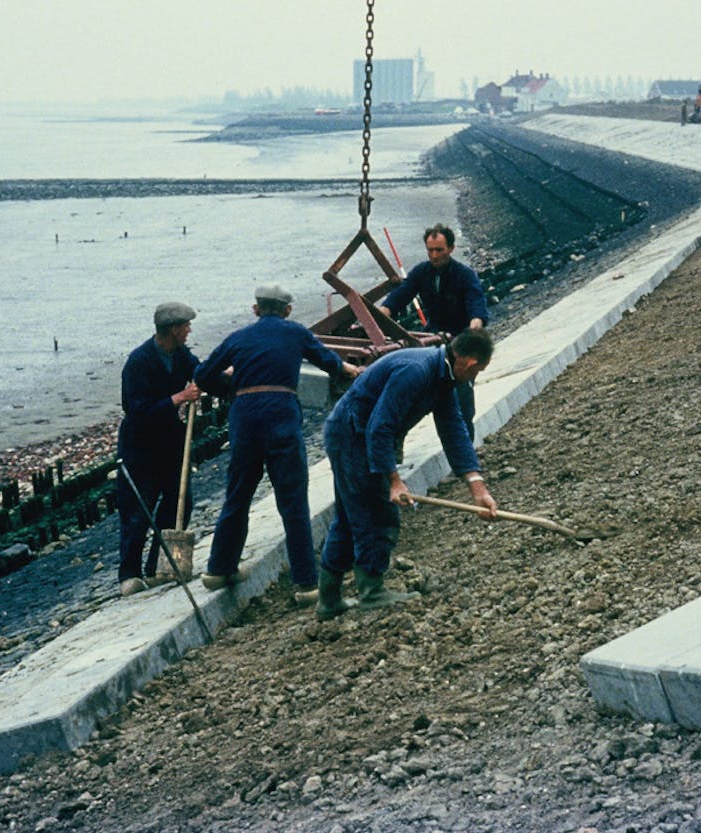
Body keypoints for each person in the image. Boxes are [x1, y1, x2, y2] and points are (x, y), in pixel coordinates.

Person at [194, 284, 361, 604]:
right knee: (292, 500)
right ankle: (306, 584)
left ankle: (219, 568)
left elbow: (202, 375)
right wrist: (350, 369)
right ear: (287, 310)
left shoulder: (238, 337)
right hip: (280, 416)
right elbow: (328, 361)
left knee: (238, 494)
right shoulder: (295, 333)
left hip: (244, 419)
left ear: (255, 309)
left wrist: (233, 388)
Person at [317, 328, 498, 619]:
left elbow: (454, 431)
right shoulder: (415, 371)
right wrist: (394, 480)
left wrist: (478, 488)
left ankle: (329, 601)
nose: (475, 376)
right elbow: (380, 426)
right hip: (352, 435)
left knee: (351, 516)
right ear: (465, 360)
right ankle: (371, 592)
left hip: (361, 434)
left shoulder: (443, 378)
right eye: (478, 368)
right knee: (375, 512)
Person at [115, 302, 202, 597]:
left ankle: (159, 567)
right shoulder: (138, 362)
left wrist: (224, 374)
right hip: (141, 445)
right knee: (138, 509)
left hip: (170, 441)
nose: (190, 330)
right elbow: (136, 410)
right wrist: (178, 398)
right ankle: (129, 574)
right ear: (174, 330)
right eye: (186, 326)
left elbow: (199, 371)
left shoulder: (180, 354)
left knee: (180, 502)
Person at [376, 223, 490, 440]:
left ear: (451, 248)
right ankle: (397, 438)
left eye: (439, 250)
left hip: (461, 342)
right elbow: (401, 294)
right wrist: (382, 313)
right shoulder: (421, 272)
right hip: (433, 342)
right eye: (430, 250)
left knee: (462, 399)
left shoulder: (465, 275)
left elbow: (476, 303)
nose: (434, 255)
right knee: (416, 394)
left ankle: (468, 448)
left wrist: (475, 328)